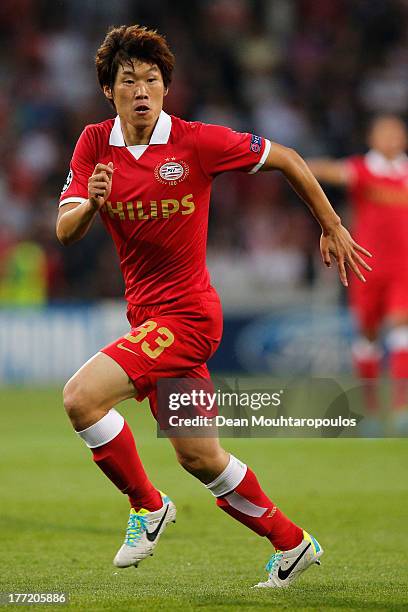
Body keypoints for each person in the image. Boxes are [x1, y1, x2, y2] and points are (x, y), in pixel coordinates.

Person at [56, 25, 370, 589]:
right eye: (129, 81)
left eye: (152, 79)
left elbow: (288, 157)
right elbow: (65, 230)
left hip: (188, 318)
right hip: (147, 320)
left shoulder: (197, 141)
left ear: (166, 88)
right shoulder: (94, 144)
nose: (142, 90)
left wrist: (331, 224)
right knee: (201, 458)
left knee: (81, 398)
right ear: (110, 89)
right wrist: (91, 204)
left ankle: (147, 506)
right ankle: (291, 542)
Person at [308, 116, 408, 423]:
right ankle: (372, 409)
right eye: (385, 132)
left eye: (396, 133)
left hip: (402, 267)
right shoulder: (362, 170)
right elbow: (327, 170)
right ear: (372, 139)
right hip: (365, 265)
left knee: (401, 327)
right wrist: (293, 165)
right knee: (368, 337)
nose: (391, 138)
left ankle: (401, 407)